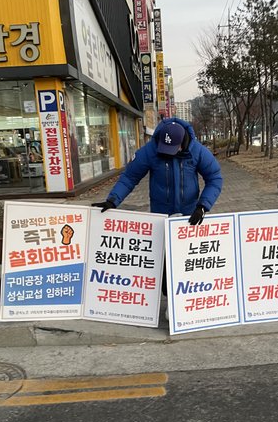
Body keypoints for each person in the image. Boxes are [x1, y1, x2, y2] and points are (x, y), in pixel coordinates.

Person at [92, 117, 223, 318]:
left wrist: (203, 206)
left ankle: (187, 302)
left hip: (189, 217)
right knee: (164, 261)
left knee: (186, 260)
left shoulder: (197, 151)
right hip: (161, 215)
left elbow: (215, 178)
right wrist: (113, 200)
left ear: (182, 143)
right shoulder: (151, 150)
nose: (167, 153)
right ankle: (170, 300)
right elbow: (130, 177)